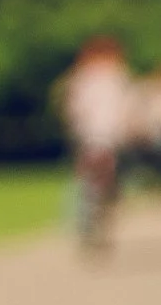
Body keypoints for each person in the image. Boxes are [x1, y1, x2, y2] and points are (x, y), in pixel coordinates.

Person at [56, 36, 133, 255]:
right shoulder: (108, 77)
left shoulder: (89, 77)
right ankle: (90, 225)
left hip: (98, 137)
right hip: (100, 138)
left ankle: (89, 224)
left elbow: (73, 109)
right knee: (97, 184)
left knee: (94, 184)